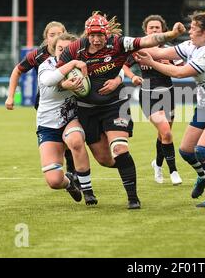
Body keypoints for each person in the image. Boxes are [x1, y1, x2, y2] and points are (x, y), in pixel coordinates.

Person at [56, 11, 186, 209]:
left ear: (106, 34)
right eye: (92, 35)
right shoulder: (74, 50)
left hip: (115, 105)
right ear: (86, 34)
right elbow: (57, 78)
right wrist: (68, 84)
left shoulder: (118, 43)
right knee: (105, 160)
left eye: (100, 35)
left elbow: (146, 41)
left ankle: (133, 198)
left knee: (119, 149)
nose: (96, 39)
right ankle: (122, 172)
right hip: (86, 110)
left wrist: (171, 36)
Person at [135, 5, 205, 208]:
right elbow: (161, 52)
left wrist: (151, 61)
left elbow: (178, 73)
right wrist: (130, 46)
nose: (190, 30)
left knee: (202, 150)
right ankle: (203, 175)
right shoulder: (191, 46)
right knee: (186, 151)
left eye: (193, 28)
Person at [5, 21, 77, 178]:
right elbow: (17, 71)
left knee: (73, 137)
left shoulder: (73, 50)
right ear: (46, 38)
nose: (56, 37)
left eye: (60, 34)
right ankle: (65, 172)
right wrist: (10, 96)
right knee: (59, 137)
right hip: (49, 101)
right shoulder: (39, 54)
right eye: (52, 35)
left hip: (71, 100)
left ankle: (73, 172)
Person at [36, 32, 97, 205]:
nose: (63, 53)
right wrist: (71, 65)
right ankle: (70, 183)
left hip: (70, 118)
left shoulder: (82, 64)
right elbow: (49, 81)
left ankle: (88, 191)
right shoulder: (46, 66)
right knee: (54, 181)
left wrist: (116, 79)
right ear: (54, 50)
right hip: (47, 125)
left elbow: (117, 70)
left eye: (68, 50)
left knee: (76, 141)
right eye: (60, 49)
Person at [124, 15, 183, 185]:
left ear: (164, 30)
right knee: (166, 131)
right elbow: (124, 65)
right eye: (151, 28)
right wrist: (133, 76)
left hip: (169, 94)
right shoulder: (139, 49)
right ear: (146, 31)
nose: (154, 30)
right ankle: (173, 171)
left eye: (157, 28)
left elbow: (181, 71)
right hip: (148, 94)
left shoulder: (172, 50)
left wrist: (167, 64)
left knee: (163, 135)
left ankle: (157, 164)